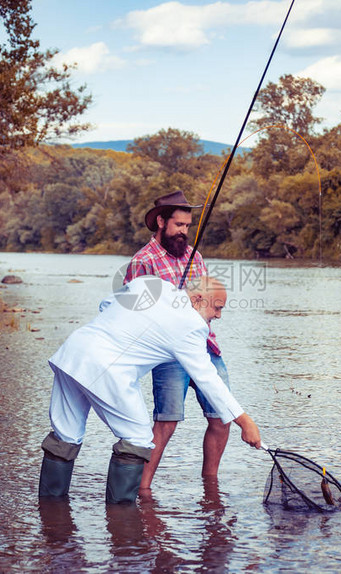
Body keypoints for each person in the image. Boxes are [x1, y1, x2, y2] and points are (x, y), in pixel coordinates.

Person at [38, 276, 261, 504]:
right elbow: (208, 379)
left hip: (74, 352)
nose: (218, 315)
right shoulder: (191, 327)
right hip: (108, 369)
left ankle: (51, 519)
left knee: (66, 435)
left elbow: (106, 304)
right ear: (197, 299)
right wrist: (245, 422)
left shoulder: (151, 284)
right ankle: (123, 523)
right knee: (139, 439)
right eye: (217, 308)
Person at [123, 190, 230, 490]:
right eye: (178, 225)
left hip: (205, 347)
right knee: (167, 423)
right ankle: (141, 490)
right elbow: (132, 314)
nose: (184, 232)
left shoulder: (194, 256)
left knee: (222, 417)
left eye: (187, 226)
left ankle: (211, 487)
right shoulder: (142, 262)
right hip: (169, 354)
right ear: (160, 221)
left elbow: (206, 304)